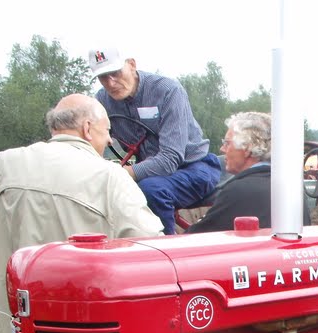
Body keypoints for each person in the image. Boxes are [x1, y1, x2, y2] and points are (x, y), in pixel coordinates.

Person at [0, 94, 163, 333]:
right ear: (87, 128)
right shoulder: (110, 177)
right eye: (106, 130)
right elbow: (151, 250)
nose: (109, 139)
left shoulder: (9, 163)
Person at [89, 46, 222, 234]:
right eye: (103, 77)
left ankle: (165, 252)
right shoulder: (102, 100)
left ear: (132, 65)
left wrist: (119, 173)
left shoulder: (168, 91)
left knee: (151, 189)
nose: (111, 83)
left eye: (115, 73)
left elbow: (170, 159)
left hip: (194, 167)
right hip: (150, 172)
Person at [185, 112, 310, 233]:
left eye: (227, 143)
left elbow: (195, 238)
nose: (222, 149)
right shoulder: (294, 190)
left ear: (247, 148)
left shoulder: (238, 190)